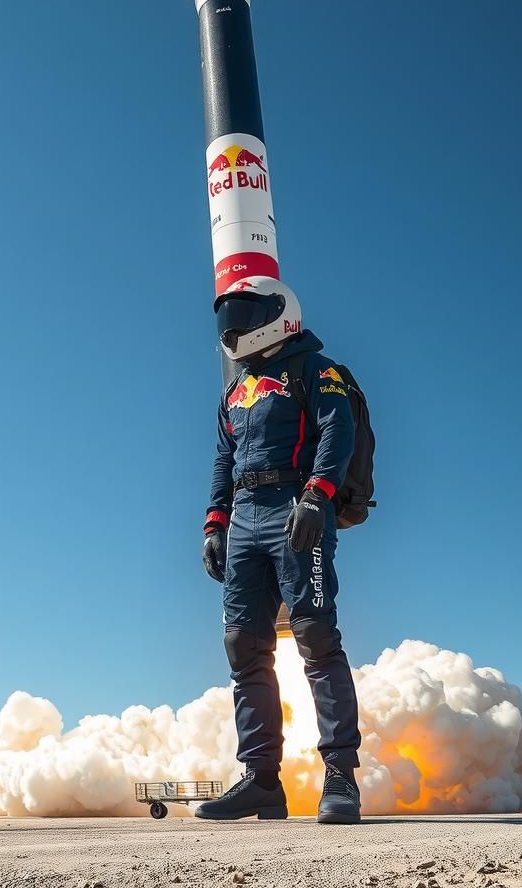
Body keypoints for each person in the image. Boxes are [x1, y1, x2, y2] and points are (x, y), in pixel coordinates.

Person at [194, 276, 362, 824]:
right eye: (228, 315)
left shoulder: (317, 369)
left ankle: (340, 777)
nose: (234, 327)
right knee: (244, 646)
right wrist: (214, 522)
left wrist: (319, 495)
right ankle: (262, 780)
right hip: (244, 519)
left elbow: (339, 430)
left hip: (295, 508)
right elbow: (224, 458)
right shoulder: (234, 390)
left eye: (245, 311)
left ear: (278, 311)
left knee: (314, 634)